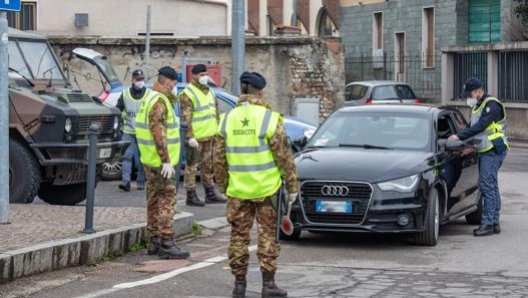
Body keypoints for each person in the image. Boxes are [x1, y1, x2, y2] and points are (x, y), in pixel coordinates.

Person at [214, 71, 299, 298]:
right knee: (268, 237)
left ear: (242, 90)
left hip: (238, 190)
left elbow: (219, 158)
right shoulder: (269, 118)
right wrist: (292, 187)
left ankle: (239, 285)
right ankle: (268, 286)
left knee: (238, 238)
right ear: (260, 91)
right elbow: (284, 157)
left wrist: (223, 185)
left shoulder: (227, 118)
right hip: (266, 189)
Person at [135, 66, 190, 259]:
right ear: (168, 82)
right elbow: (158, 133)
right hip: (160, 163)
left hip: (150, 160)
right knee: (167, 200)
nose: (175, 88)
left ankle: (154, 241)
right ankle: (166, 242)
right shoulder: (159, 102)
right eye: (174, 84)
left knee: (154, 200)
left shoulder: (150, 98)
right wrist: (166, 160)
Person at [449, 77, 509, 237]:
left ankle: (488, 224)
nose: (468, 98)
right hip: (485, 149)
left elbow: (481, 126)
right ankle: (494, 223)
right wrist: (461, 138)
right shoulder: (478, 106)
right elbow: (471, 127)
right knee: (492, 185)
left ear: (478, 91)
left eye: (470, 94)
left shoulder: (491, 105)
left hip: (494, 149)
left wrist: (460, 137)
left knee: (486, 186)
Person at [179, 64, 226, 207]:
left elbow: (215, 113)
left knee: (208, 166)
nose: (204, 77)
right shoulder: (188, 93)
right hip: (196, 138)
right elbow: (186, 117)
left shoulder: (210, 91)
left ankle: (210, 193)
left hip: (209, 136)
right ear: (194, 76)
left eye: (206, 74)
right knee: (192, 167)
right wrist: (190, 136)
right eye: (201, 75)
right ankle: (191, 195)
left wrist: (217, 131)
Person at [117, 69, 149, 191]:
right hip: (128, 130)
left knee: (142, 158)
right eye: (138, 79)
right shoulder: (125, 94)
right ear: (132, 80)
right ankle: (126, 182)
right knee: (127, 156)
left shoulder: (148, 94)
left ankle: (141, 182)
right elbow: (118, 109)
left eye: (142, 79)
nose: (140, 82)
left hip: (143, 132)